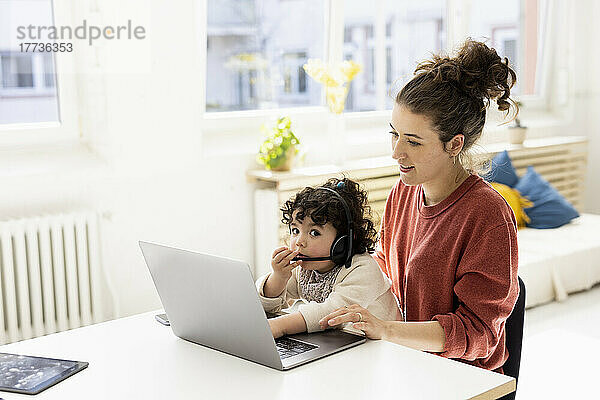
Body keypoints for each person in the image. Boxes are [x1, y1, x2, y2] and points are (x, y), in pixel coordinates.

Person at [319, 39, 520, 373]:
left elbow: (479, 333)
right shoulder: (404, 190)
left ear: (454, 144)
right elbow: (383, 270)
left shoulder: (488, 215)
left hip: (460, 378)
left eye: (413, 141)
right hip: (403, 362)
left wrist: (386, 330)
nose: (397, 153)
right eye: (394, 134)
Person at [256, 177, 401, 338]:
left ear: (343, 242)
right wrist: (278, 278)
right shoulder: (306, 267)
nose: (299, 242)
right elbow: (268, 305)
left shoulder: (363, 270)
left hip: (384, 349)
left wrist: (279, 326)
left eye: (314, 233)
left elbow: (331, 314)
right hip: (341, 342)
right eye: (295, 230)